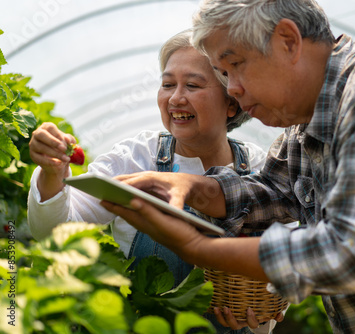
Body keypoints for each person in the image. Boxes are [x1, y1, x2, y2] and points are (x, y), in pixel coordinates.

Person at [101, 0, 355, 333]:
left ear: (288, 41)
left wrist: (198, 247)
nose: (233, 88)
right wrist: (193, 187)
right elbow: (268, 192)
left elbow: (352, 253)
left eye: (235, 65)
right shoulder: (301, 130)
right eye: (223, 74)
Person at [27, 29, 282, 334]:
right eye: (167, 85)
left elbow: (282, 260)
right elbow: (54, 231)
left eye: (192, 85)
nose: (176, 98)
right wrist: (52, 173)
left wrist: (261, 309)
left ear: (232, 102)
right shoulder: (135, 158)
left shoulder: (259, 168)